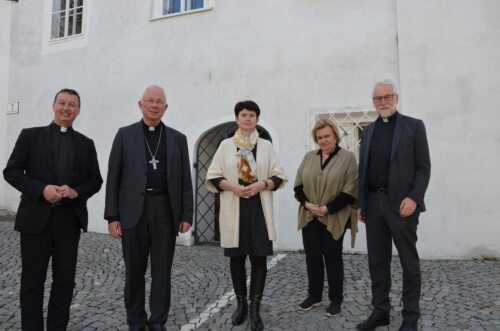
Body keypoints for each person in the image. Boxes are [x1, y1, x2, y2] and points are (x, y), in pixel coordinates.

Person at [3, 88, 103, 330]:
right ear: (53, 105)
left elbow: (95, 180)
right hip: (35, 219)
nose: (66, 108)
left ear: (78, 110)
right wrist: (41, 189)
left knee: (64, 281)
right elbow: (12, 172)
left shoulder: (86, 144)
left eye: (72, 105)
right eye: (62, 103)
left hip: (69, 221)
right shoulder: (30, 136)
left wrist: (76, 191)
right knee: (32, 281)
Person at [104, 85, 193, 331]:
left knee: (162, 271)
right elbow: (114, 177)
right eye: (150, 101)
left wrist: (186, 214)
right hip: (133, 211)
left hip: (165, 209)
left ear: (166, 107)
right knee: (134, 271)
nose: (154, 105)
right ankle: (135, 320)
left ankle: (158, 321)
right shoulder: (125, 135)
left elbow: (185, 179)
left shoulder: (178, 138)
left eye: (159, 101)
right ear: (140, 104)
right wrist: (112, 216)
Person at [205, 101, 287, 331]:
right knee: (237, 258)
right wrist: (233, 187)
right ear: (237, 118)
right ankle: (241, 304)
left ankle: (254, 308)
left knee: (259, 259)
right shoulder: (225, 146)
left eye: (252, 115)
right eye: (244, 115)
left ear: (257, 120)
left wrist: (263, 183)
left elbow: (279, 177)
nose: (248, 119)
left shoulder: (266, 146)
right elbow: (212, 177)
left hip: (258, 209)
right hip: (234, 207)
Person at [356, 79, 431, 331]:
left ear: (396, 98)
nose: (383, 102)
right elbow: (363, 169)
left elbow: (423, 168)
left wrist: (414, 197)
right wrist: (362, 203)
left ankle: (411, 317)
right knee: (377, 262)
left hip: (402, 205)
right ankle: (381, 311)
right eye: (378, 98)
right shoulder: (367, 131)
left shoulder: (413, 126)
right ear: (373, 102)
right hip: (374, 204)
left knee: (409, 263)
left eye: (387, 97)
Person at [293, 119, 358, 317]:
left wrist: (328, 208)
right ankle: (314, 296)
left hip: (334, 217)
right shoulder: (309, 157)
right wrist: (307, 204)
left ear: (335, 136)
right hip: (309, 216)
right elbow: (297, 186)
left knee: (333, 258)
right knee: (312, 257)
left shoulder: (347, 158)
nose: (323, 140)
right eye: (319, 137)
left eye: (327, 136)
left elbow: (350, 190)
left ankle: (336, 299)